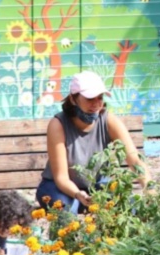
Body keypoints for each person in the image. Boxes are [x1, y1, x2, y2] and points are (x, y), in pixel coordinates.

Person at [36, 70, 147, 212]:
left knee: (130, 205)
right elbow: (61, 178)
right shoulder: (58, 125)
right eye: (90, 98)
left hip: (97, 187)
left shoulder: (109, 120)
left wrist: (149, 189)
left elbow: (135, 161)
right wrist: (78, 194)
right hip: (59, 188)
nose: (96, 104)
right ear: (73, 99)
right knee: (68, 210)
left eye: (100, 98)